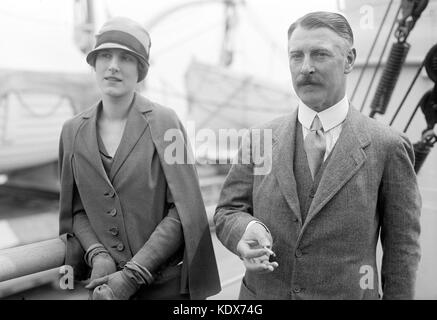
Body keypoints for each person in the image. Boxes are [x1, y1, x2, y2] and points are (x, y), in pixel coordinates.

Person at [214, 11, 421, 299]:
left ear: (349, 60)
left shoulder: (388, 146)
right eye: (296, 56)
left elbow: (402, 248)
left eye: (320, 54)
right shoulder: (258, 139)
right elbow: (226, 212)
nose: (306, 67)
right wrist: (247, 229)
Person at [58, 17, 221, 300]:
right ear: (94, 65)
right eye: (105, 56)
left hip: (165, 290)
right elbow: (75, 210)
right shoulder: (72, 131)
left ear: (140, 70)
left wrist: (134, 274)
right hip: (104, 288)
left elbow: (184, 209)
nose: (113, 66)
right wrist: (98, 254)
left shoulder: (166, 122)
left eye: (126, 58)